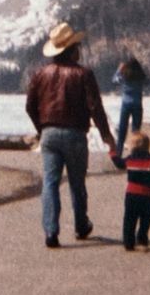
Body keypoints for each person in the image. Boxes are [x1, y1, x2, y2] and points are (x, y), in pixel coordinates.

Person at [26, 22, 118, 249]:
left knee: (50, 182)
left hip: (49, 134)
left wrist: (42, 129)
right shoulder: (83, 74)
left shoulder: (41, 74)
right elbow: (95, 107)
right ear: (71, 50)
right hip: (75, 134)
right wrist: (106, 135)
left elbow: (30, 106)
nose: (80, 50)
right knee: (77, 183)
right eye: (77, 47)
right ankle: (80, 225)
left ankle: (51, 231)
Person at [111, 131, 150, 251]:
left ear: (133, 147)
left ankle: (128, 242)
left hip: (131, 194)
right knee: (146, 217)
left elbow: (119, 164)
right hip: (146, 195)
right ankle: (142, 237)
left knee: (129, 219)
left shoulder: (130, 159)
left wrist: (112, 153)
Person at [112, 56, 149, 157]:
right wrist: (142, 72)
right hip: (137, 104)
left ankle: (119, 152)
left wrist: (119, 69)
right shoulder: (140, 77)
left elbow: (114, 80)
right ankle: (135, 152)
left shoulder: (125, 76)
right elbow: (148, 82)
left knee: (122, 129)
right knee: (136, 130)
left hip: (126, 104)